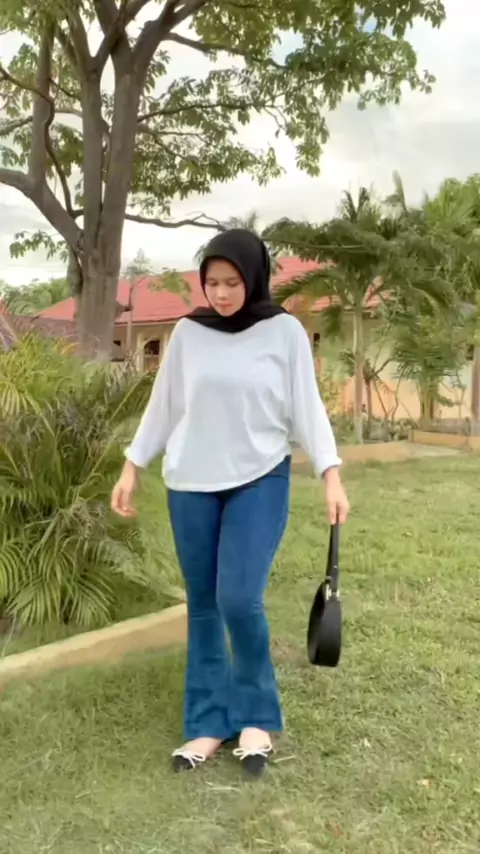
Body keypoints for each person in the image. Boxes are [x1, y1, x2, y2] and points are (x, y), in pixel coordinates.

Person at [111, 229, 349, 777]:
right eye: (212, 282)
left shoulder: (284, 331)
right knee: (204, 605)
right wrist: (131, 466)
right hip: (190, 482)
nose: (220, 293)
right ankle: (207, 722)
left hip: (259, 477)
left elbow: (307, 407)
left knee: (239, 599)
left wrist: (331, 474)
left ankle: (256, 717)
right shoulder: (188, 333)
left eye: (232, 282)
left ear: (254, 277)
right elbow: (164, 406)